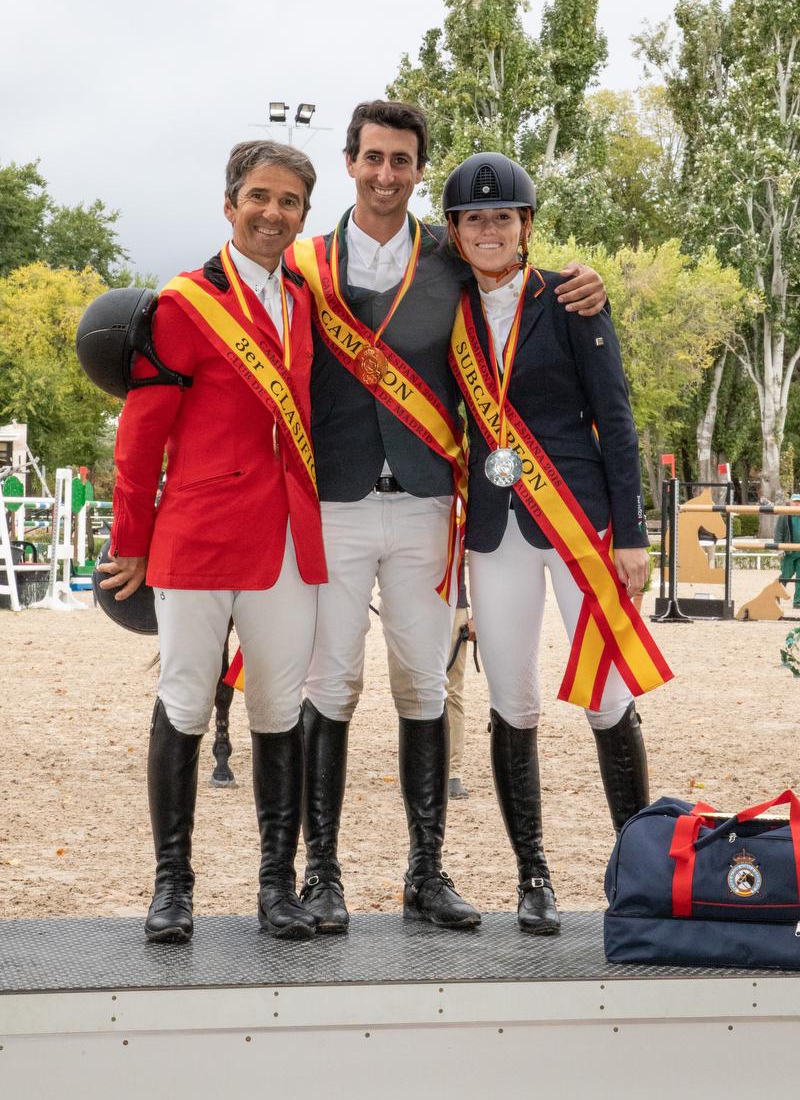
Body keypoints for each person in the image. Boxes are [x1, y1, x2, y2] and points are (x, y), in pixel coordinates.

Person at [287, 101, 610, 934]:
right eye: (373, 159)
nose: (387, 174)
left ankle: (424, 873)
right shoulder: (305, 264)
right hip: (339, 501)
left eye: (402, 161)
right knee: (332, 684)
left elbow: (520, 276)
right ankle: (321, 874)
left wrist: (588, 280)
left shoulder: (450, 251)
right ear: (351, 161)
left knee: (424, 684)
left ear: (420, 170)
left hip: (431, 500)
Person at [98, 141, 326, 943]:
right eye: (259, 197)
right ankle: (172, 887)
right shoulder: (183, 305)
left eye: (289, 201)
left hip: (288, 543)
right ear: (230, 206)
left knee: (277, 709)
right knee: (186, 703)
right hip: (196, 538)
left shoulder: (307, 299)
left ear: (304, 215)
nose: (272, 213)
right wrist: (131, 539)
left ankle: (276, 888)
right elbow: (141, 434)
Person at [443, 151, 672, 935]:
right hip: (496, 529)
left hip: (579, 521)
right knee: (513, 696)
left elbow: (618, 418)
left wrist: (634, 533)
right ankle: (532, 874)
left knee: (608, 698)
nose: (489, 229)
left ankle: (637, 872)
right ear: (456, 231)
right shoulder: (446, 305)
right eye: (474, 219)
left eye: (502, 216)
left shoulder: (571, 300)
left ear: (526, 225)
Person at [386, 562, 476, 800]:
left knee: (452, 688)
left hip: (453, 602)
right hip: (407, 600)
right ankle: (420, 765)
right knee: (409, 686)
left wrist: (477, 613)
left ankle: (452, 772)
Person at [776, 494, 800, 608]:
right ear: (790, 502)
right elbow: (779, 532)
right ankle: (775, 595)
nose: (797, 504)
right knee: (786, 575)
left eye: (799, 502)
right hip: (789, 552)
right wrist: (779, 548)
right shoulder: (784, 515)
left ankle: (797, 602)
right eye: (795, 501)